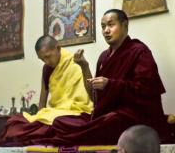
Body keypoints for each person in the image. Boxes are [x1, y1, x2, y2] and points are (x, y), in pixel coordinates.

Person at [50, 9, 173, 145]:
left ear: (125, 25)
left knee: (112, 121)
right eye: (103, 27)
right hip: (105, 116)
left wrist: (111, 84)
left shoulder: (139, 52)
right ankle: (79, 134)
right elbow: (95, 97)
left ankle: (74, 136)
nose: (106, 30)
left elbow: (147, 90)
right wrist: (84, 66)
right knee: (59, 121)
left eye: (110, 25)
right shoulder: (103, 57)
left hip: (134, 116)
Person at [0, 35, 93, 146]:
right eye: (42, 59)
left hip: (74, 113)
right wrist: (38, 119)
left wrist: (85, 67)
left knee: (61, 123)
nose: (46, 62)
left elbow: (90, 95)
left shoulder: (76, 63)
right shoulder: (46, 69)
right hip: (54, 113)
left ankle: (41, 133)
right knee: (13, 122)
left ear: (58, 48)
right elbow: (42, 102)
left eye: (48, 57)